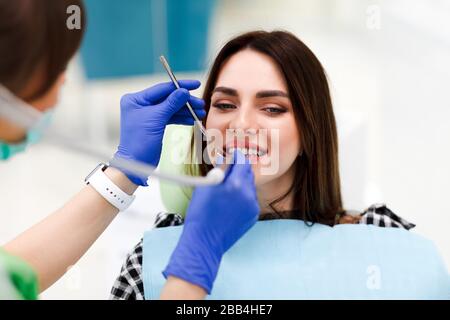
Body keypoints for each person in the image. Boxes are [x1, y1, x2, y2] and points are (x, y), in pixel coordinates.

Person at [111, 31, 419, 300]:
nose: (241, 124)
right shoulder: (150, 260)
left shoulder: (382, 241)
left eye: (272, 108)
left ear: (310, 133)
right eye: (225, 105)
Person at [0, 0, 258, 300]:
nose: (63, 83)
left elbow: (12, 275)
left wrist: (123, 172)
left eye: (273, 108)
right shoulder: (148, 258)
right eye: (56, 69)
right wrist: (196, 258)